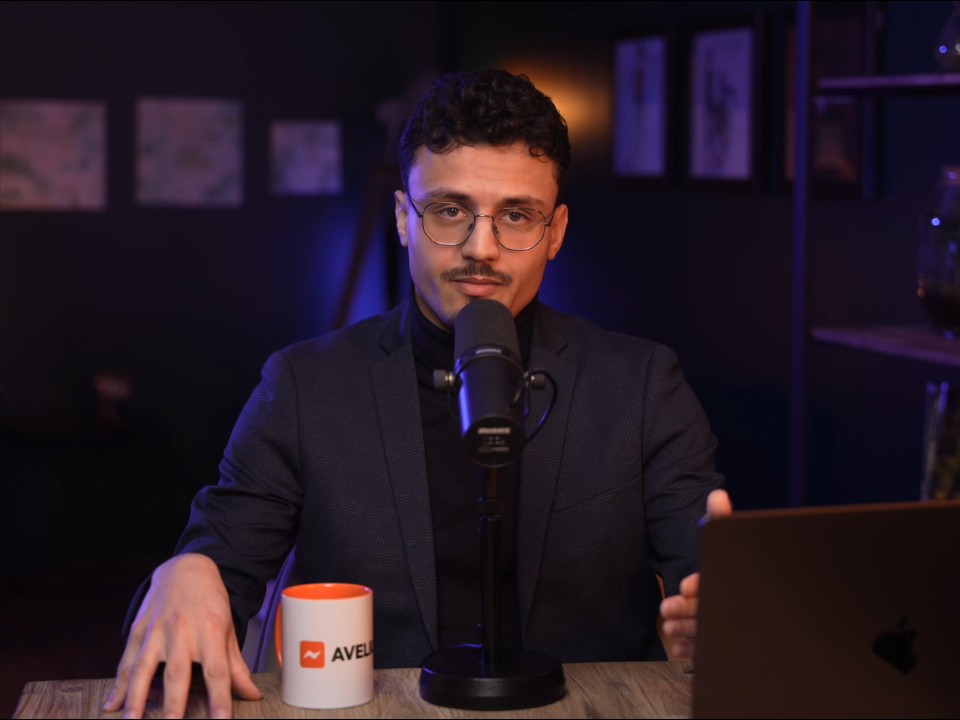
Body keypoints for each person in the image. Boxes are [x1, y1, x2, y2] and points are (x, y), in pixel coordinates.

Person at [104, 68, 732, 719]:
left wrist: (722, 607)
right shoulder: (306, 386)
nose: (481, 249)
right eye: (450, 211)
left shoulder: (639, 384)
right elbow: (217, 562)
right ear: (404, 218)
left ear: (556, 232)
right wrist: (190, 573)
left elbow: (713, 580)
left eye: (517, 216)